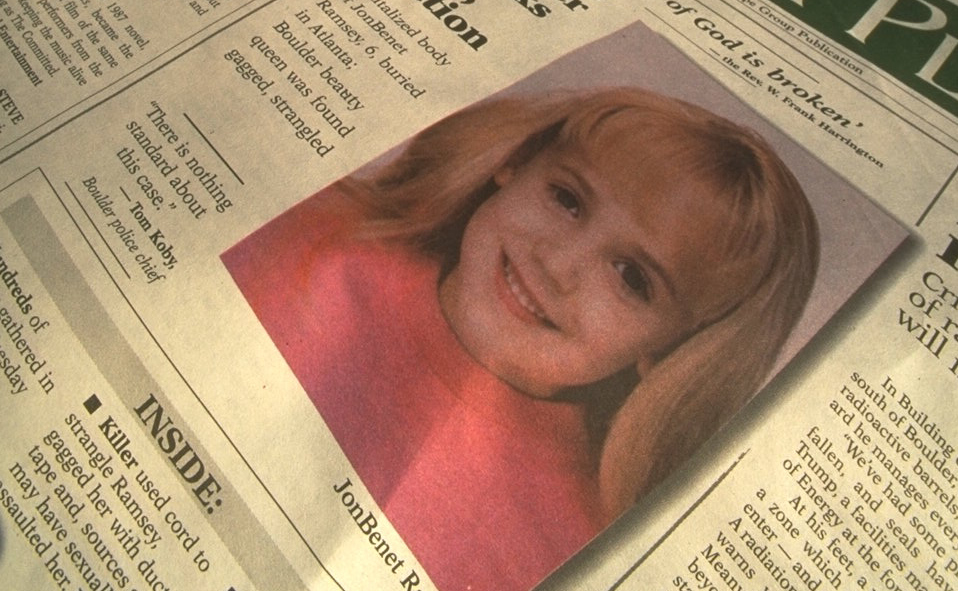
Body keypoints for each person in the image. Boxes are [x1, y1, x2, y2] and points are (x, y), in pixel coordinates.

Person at [223, 86, 818, 591]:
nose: (558, 264)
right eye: (568, 200)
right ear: (516, 164)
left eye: (632, 278)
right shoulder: (312, 231)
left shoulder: (577, 547)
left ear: (666, 351)